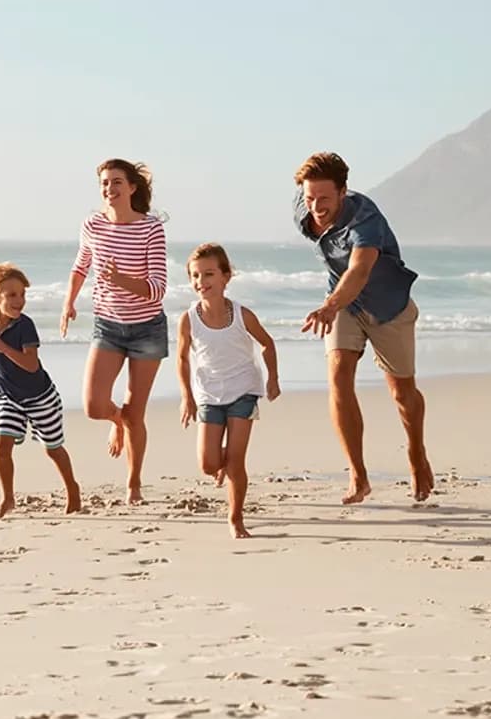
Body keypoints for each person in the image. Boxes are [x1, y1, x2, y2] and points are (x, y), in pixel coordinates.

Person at [293, 151, 432, 503]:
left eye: (324, 198)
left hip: (388, 307)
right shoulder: (304, 209)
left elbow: (358, 270)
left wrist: (328, 306)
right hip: (344, 304)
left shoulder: (365, 219)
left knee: (402, 394)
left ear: (343, 192)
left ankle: (416, 451)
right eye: (309, 198)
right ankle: (358, 474)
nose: (316, 206)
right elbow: (342, 275)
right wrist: (334, 304)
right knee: (338, 376)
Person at [59, 158, 168, 503]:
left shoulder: (151, 229)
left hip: (147, 329)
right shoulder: (92, 225)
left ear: (132, 187)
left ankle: (134, 483)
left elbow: (157, 288)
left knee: (136, 412)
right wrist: (69, 303)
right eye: (105, 183)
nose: (110, 188)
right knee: (93, 405)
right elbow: (81, 266)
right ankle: (115, 421)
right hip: (107, 325)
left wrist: (121, 280)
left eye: (117, 182)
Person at [175, 243, 281, 538]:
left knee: (236, 462)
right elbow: (182, 358)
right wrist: (187, 397)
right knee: (208, 463)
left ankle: (235, 520)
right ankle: (222, 464)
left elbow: (267, 343)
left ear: (225, 277)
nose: (201, 282)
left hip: (243, 390)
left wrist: (273, 379)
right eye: (195, 276)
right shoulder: (189, 319)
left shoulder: (241, 314)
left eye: (208, 274)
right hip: (208, 394)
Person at [0, 263, 82, 518]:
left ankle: (73, 488)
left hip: (40, 397)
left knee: (53, 448)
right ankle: (8, 499)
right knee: (1, 447)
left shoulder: (25, 326)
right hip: (8, 397)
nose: (19, 300)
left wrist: (1, 347)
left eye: (22, 294)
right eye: (11, 295)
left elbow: (31, 364)